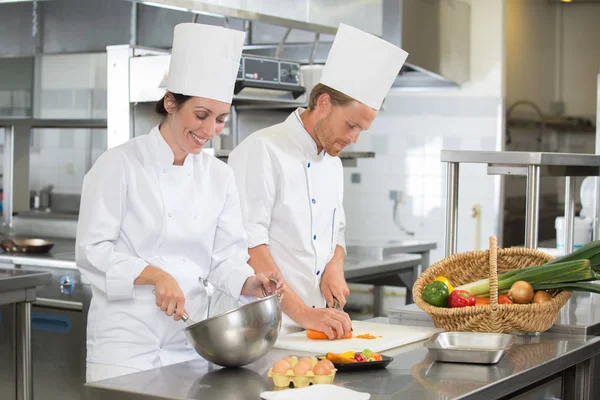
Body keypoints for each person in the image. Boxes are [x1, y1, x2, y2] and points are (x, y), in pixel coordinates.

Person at [76, 23, 284, 383]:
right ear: (171, 103)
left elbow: (224, 259)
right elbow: (92, 252)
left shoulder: (219, 176)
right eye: (201, 115)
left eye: (220, 119)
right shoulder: (119, 164)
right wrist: (156, 276)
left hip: (190, 343)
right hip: (125, 347)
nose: (210, 129)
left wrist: (250, 282)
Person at [228, 23, 407, 337]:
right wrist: (304, 314)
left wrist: (334, 267)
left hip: (316, 324)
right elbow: (249, 247)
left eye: (361, 130)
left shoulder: (333, 162)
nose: (354, 138)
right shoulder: (261, 151)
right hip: (268, 328)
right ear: (323, 103)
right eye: (351, 125)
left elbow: (336, 232)